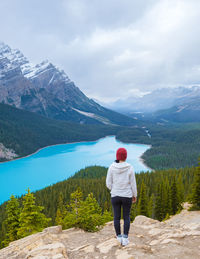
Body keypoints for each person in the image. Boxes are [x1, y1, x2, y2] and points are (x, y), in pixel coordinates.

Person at [106, 147, 137, 246]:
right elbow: (133, 184)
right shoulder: (130, 167)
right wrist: (134, 195)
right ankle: (125, 239)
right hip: (127, 196)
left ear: (117, 156)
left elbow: (108, 183)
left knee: (116, 217)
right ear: (125, 156)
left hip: (115, 195)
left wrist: (114, 189)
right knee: (126, 217)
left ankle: (118, 237)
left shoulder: (111, 167)